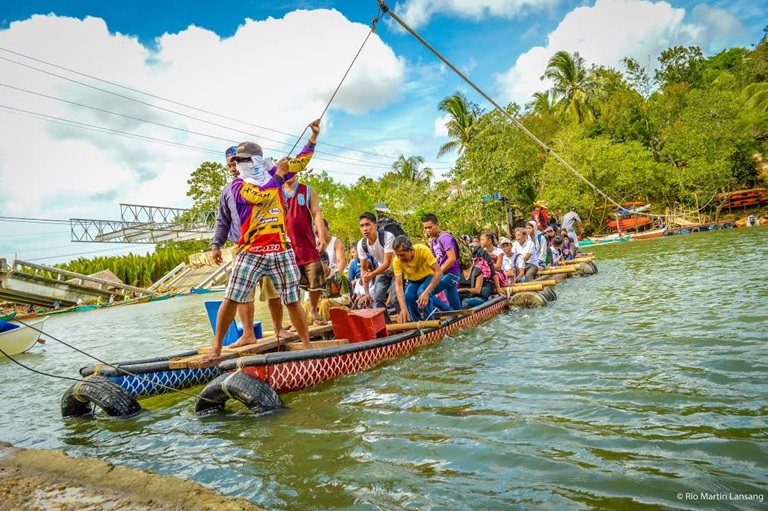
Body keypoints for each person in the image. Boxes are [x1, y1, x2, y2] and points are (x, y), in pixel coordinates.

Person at [201, 119, 321, 362]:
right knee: (231, 298)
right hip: (250, 251)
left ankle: (307, 346)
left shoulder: (272, 173)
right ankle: (216, 348)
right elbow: (262, 196)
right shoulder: (237, 186)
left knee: (292, 300)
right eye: (238, 161)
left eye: (245, 160)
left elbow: (301, 161)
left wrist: (313, 138)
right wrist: (280, 174)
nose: (240, 165)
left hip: (281, 248)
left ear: (257, 160)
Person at [211, 145, 286, 344]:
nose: (233, 168)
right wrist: (216, 245)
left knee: (274, 289)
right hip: (243, 247)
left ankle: (279, 329)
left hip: (269, 244)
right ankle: (248, 334)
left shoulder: (266, 183)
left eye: (236, 163)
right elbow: (223, 219)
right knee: (242, 293)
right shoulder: (229, 190)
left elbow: (281, 206)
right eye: (230, 165)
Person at [282, 172, 328, 325]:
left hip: (307, 244)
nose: (289, 174)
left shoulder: (307, 190)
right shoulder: (276, 191)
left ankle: (313, 309)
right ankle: (296, 318)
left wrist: (321, 236)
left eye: (292, 170)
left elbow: (316, 213)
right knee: (289, 285)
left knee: (316, 277)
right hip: (286, 247)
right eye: (286, 171)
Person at [392, 235, 443, 323]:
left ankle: (430, 321)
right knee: (408, 296)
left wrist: (427, 292)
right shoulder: (396, 261)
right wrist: (403, 308)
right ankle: (416, 322)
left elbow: (439, 271)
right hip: (413, 281)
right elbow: (399, 285)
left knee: (422, 292)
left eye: (402, 255)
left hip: (428, 276)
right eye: (397, 255)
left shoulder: (422, 250)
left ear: (411, 250)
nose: (400, 258)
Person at [357, 211, 397, 320]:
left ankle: (406, 324)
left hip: (397, 269)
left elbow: (387, 263)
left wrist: (372, 274)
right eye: (362, 226)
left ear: (375, 225)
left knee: (395, 298)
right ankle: (386, 326)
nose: (365, 229)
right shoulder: (361, 244)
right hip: (382, 271)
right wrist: (366, 292)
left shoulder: (387, 237)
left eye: (368, 225)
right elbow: (364, 269)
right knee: (378, 299)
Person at [421, 213, 461, 311]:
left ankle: (448, 311)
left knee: (426, 293)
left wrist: (439, 272)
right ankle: (458, 315)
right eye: (425, 228)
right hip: (445, 274)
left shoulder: (445, 237)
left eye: (430, 227)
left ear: (437, 225)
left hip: (450, 274)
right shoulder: (433, 241)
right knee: (455, 306)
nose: (428, 230)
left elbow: (452, 258)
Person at [304, 250, 351, 322]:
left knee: (324, 303)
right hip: (326, 307)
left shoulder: (338, 277)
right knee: (307, 305)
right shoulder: (318, 279)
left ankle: (323, 325)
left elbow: (346, 300)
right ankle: (307, 326)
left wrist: (328, 301)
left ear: (327, 263)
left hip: (344, 308)